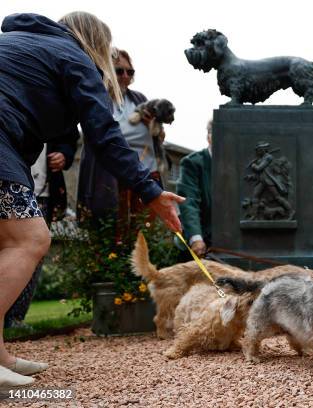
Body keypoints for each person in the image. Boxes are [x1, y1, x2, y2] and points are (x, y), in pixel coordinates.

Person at [0, 12, 183, 387]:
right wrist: (149, 190)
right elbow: (103, 134)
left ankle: (0, 353)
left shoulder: (25, 45)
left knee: (7, 241)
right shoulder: (73, 56)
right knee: (30, 238)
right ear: (96, 43)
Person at [78, 48, 165, 226]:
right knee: (111, 231)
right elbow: (101, 135)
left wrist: (154, 127)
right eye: (119, 71)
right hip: (111, 175)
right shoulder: (98, 99)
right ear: (107, 70)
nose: (125, 76)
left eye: (129, 71)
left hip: (147, 173)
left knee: (145, 232)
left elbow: (159, 137)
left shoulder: (140, 99)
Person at [4, 141, 77, 329]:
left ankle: (16, 317)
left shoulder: (56, 114)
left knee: (34, 253)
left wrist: (64, 153)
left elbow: (69, 136)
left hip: (42, 191)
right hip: (8, 183)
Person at [177, 120, 213, 256]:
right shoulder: (192, 163)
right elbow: (189, 202)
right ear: (209, 137)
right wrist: (196, 238)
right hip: (204, 241)